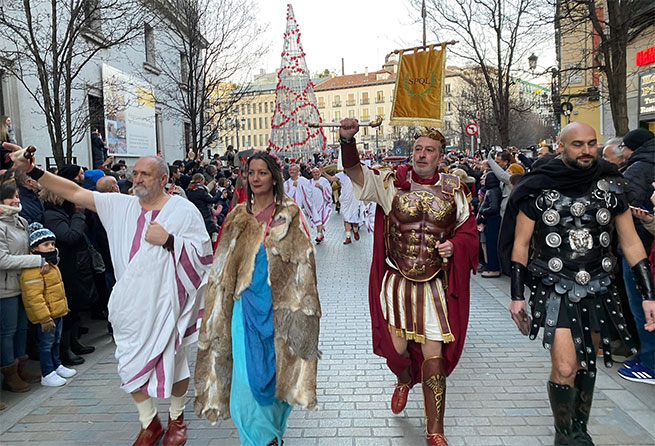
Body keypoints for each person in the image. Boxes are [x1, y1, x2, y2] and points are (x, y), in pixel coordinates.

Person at [11, 148, 212, 446]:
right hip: (128, 304)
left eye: (145, 174)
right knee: (128, 364)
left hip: (165, 303)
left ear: (164, 179)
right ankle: (149, 422)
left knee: (174, 362)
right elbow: (74, 191)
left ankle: (176, 417)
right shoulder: (121, 205)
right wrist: (34, 171)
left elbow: (202, 255)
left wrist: (170, 241)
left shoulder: (182, 211)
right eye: (135, 174)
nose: (138, 179)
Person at [500, 122, 655, 445]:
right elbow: (521, 244)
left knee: (585, 364)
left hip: (599, 287)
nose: (586, 151)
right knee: (566, 366)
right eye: (577, 145)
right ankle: (563, 433)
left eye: (591, 144)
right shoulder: (538, 187)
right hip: (555, 286)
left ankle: (578, 430)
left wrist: (648, 294)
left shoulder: (612, 185)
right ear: (561, 146)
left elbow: (630, 243)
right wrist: (517, 296)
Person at [338, 119, 478, 446]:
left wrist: (454, 246)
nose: (422, 155)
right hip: (397, 282)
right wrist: (347, 141)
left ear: (441, 156)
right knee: (397, 349)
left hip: (434, 286)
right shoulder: (392, 184)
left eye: (429, 150)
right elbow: (356, 174)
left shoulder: (455, 191)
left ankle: (435, 430)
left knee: (434, 354)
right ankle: (403, 379)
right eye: (418, 149)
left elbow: (469, 233)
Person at [194, 152, 320, 446]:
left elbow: (305, 261)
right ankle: (260, 440)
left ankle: (272, 437)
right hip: (244, 310)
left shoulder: (289, 214)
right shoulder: (238, 216)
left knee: (278, 381)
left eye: (262, 173)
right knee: (244, 389)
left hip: (281, 312)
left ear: (273, 177)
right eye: (251, 173)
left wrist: (304, 308)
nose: (256, 178)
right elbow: (223, 263)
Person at [616, 128, 655, 384]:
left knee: (642, 304)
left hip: (638, 247)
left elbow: (621, 204)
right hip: (647, 242)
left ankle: (649, 362)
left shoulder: (637, 169)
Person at [0, 183, 45, 392]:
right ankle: (9, 374)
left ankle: (21, 368)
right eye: (11, 198)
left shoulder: (21, 221)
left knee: (21, 330)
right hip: (5, 288)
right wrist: (35, 260)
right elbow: (3, 260)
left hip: (24, 285)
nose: (17, 201)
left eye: (17, 197)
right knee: (7, 332)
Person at [20, 222, 77, 387]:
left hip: (57, 312)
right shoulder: (34, 268)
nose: (51, 247)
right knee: (45, 344)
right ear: (35, 248)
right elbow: (34, 296)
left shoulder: (51, 264)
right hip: (46, 316)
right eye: (46, 244)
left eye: (52, 243)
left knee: (56, 341)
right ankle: (47, 372)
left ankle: (56, 365)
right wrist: (44, 317)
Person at [321, 166, 363, 245]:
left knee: (355, 219)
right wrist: (324, 173)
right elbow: (331, 179)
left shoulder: (357, 174)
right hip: (345, 200)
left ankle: (355, 230)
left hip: (355, 199)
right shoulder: (341, 175)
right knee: (346, 218)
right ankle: (348, 237)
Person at [308, 167, 332, 243]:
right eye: (314, 172)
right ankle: (320, 234)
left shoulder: (324, 181)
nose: (316, 173)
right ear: (312, 173)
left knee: (320, 220)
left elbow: (328, 191)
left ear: (320, 173)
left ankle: (318, 235)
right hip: (313, 205)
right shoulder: (309, 182)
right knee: (316, 219)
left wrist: (321, 187)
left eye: (317, 172)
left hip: (322, 204)